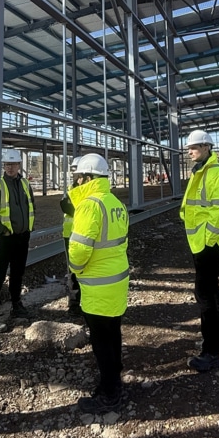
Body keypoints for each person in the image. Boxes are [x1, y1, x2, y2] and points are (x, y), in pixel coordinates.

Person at [68, 153, 129, 414]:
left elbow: (79, 250)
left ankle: (110, 394)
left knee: (101, 340)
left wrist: (76, 270)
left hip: (97, 283)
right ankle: (114, 380)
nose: (76, 182)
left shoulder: (89, 205)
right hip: (117, 279)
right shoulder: (115, 202)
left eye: (79, 177)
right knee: (113, 332)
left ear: (87, 178)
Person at [180, 129, 219, 372]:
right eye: (189, 148)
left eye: (194, 147)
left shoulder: (218, 174)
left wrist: (208, 240)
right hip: (202, 241)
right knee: (212, 291)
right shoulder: (202, 172)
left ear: (206, 147)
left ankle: (210, 352)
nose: (190, 151)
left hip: (210, 243)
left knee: (204, 295)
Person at [0, 147, 35, 325]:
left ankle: (16, 304)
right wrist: (3, 230)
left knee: (17, 273)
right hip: (5, 238)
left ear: (19, 165)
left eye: (13, 164)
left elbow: (31, 206)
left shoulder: (25, 184)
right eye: (7, 164)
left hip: (22, 236)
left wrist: (28, 228)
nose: (10, 167)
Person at [60, 155, 83, 317]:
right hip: (69, 234)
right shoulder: (71, 188)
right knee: (72, 270)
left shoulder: (88, 191)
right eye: (74, 171)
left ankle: (87, 301)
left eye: (77, 171)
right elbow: (64, 205)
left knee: (86, 268)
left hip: (83, 233)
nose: (75, 175)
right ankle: (74, 303)